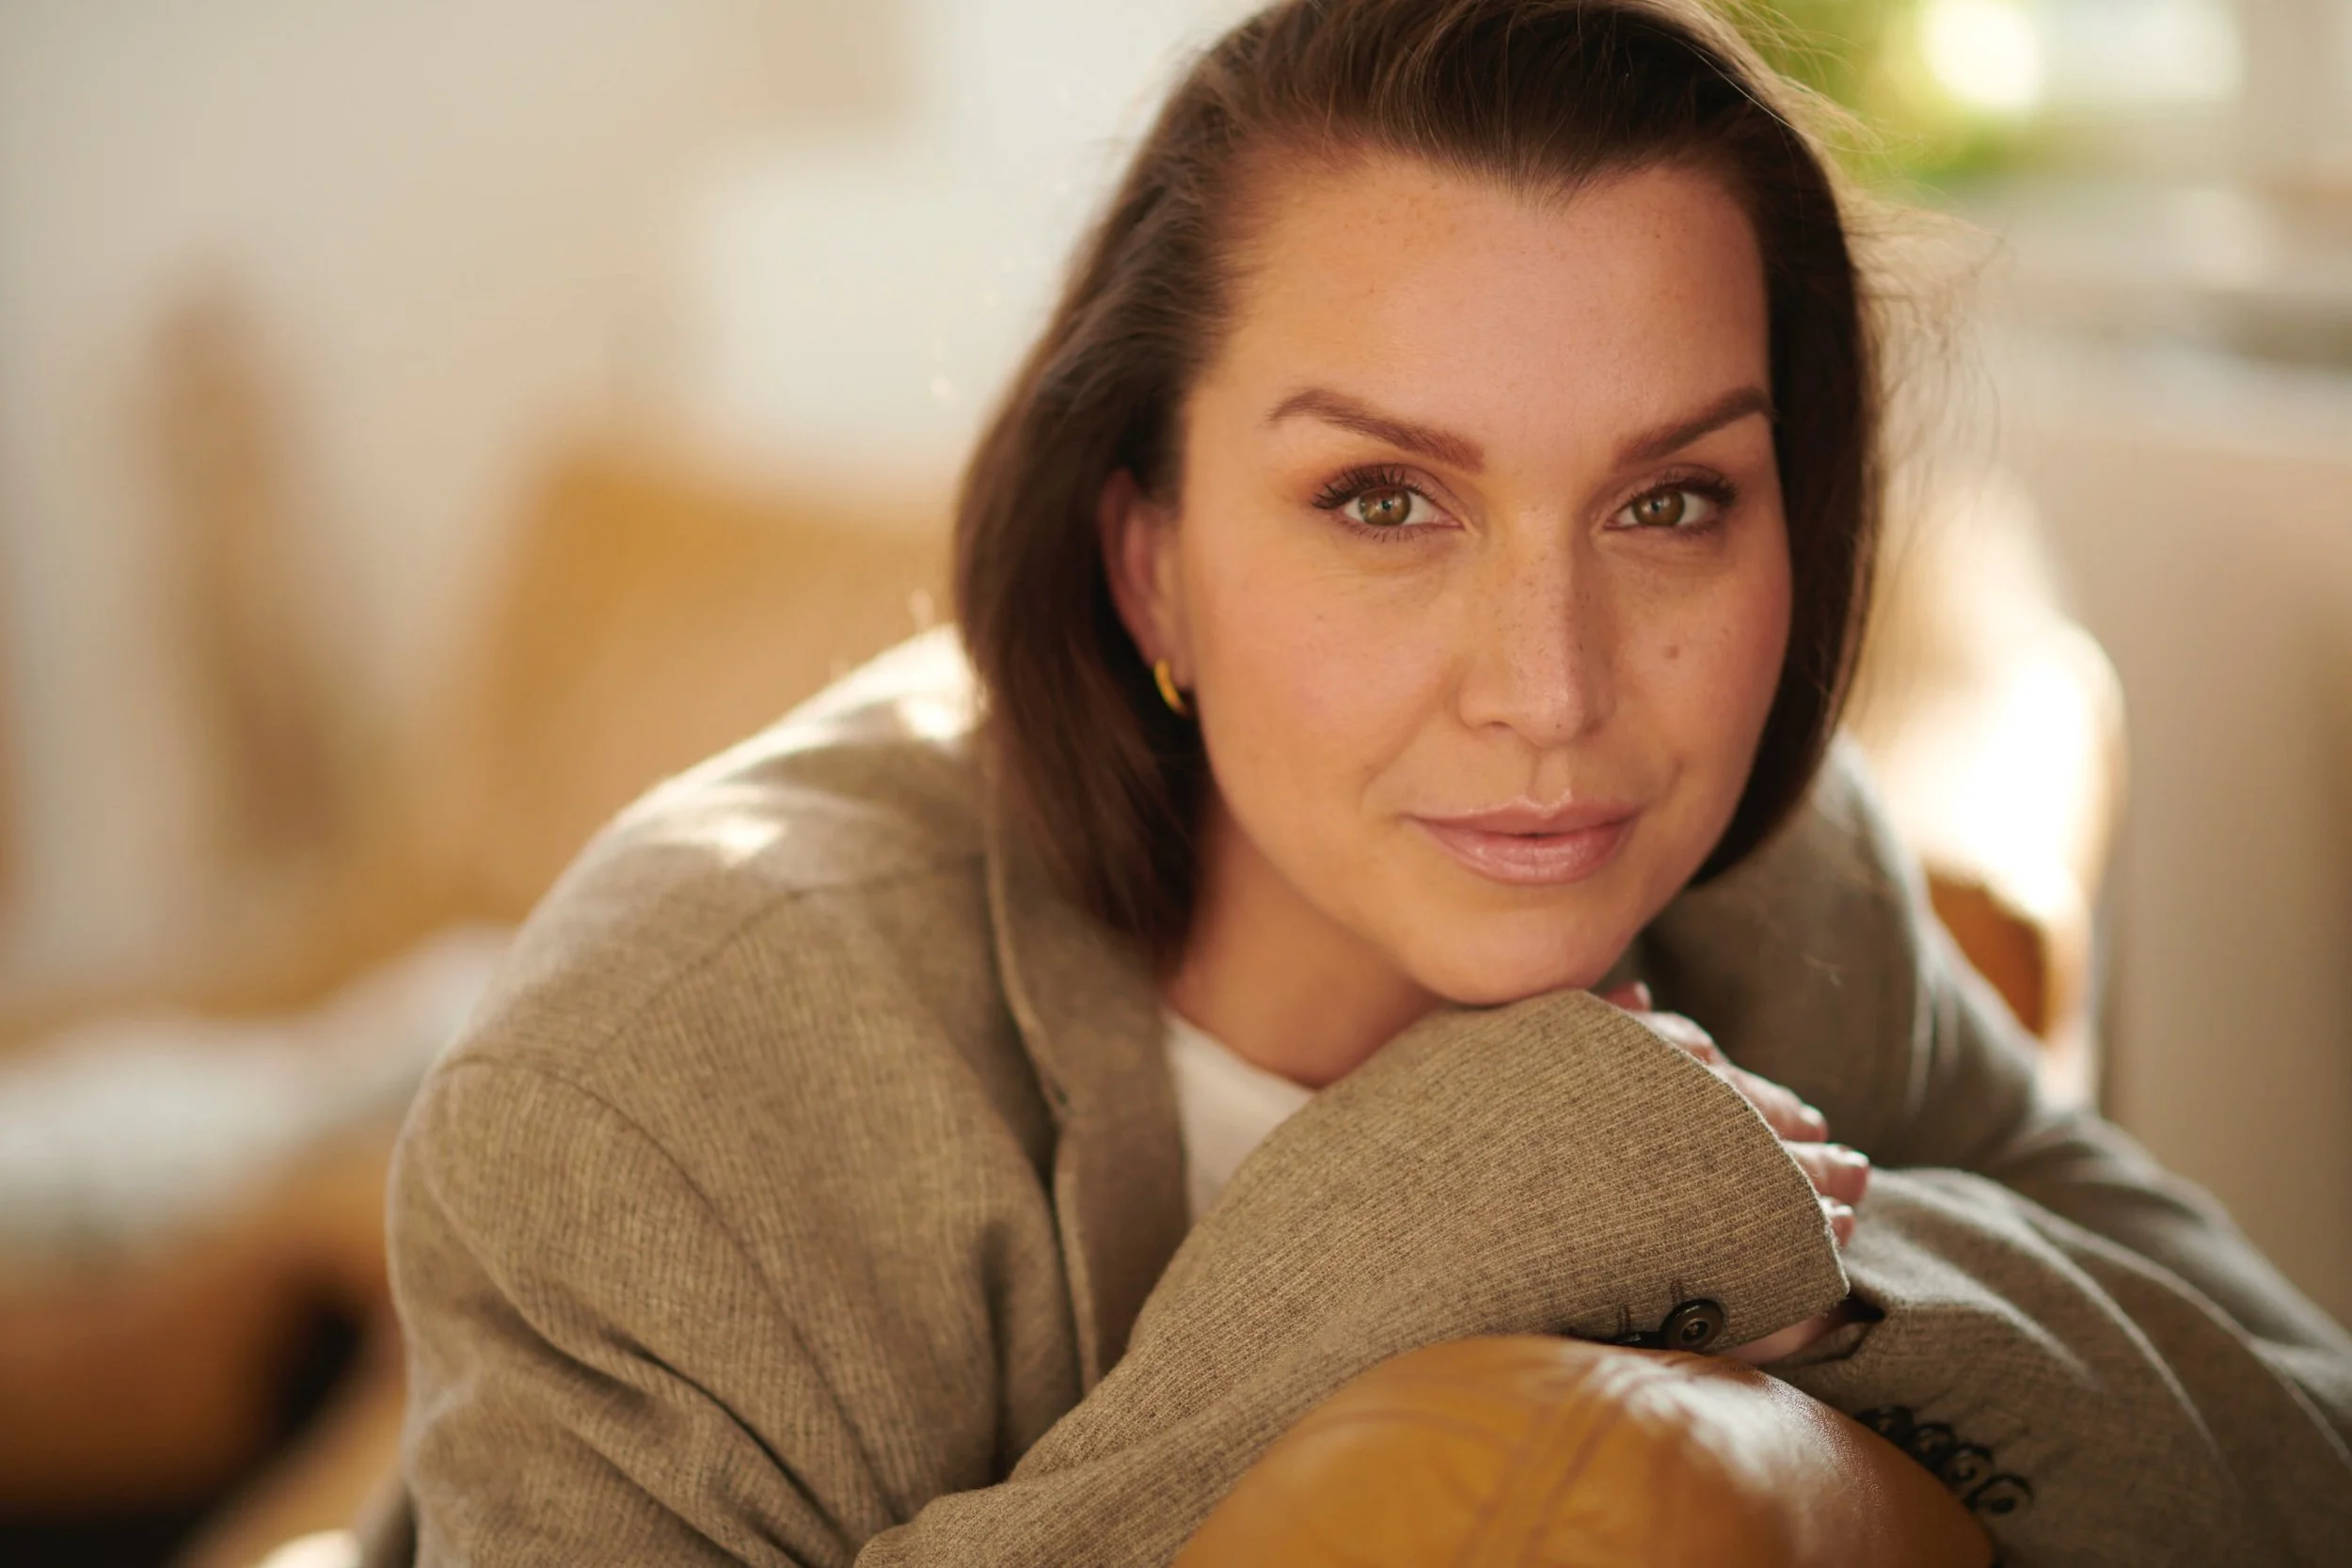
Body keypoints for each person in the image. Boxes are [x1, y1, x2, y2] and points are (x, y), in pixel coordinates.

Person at [370, 1, 2352, 1563]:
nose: (1553, 692)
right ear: (1145, 554)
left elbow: (2302, 1441)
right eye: (1382, 498)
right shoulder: (651, 1100)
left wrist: (1753, 1240)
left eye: (1669, 500)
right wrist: (1422, 1237)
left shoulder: (1775, 872)